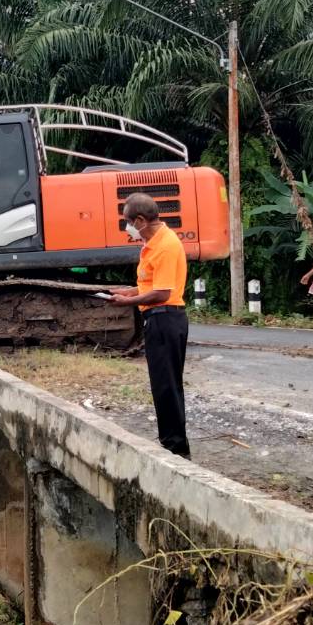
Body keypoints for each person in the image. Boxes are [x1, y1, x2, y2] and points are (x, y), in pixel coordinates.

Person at [110, 193, 190, 458]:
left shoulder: (165, 246)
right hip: (161, 317)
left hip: (165, 317)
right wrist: (130, 292)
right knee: (164, 383)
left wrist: (126, 303)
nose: (127, 228)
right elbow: (150, 285)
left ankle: (175, 447)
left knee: (166, 384)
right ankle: (173, 442)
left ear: (141, 220)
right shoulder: (153, 243)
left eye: (128, 222)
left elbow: (162, 293)